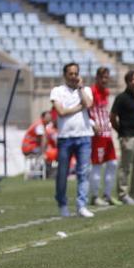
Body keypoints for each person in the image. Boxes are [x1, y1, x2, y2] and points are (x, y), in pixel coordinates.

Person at [50, 62, 95, 218]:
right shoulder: (57, 91)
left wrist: (81, 89)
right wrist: (78, 107)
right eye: (71, 74)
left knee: (83, 172)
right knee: (62, 173)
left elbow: (88, 104)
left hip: (84, 136)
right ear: (65, 75)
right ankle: (62, 203)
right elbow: (61, 112)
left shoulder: (86, 90)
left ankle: (81, 205)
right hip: (65, 138)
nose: (74, 77)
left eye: (76, 73)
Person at [109, 70, 134, 205]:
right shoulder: (121, 98)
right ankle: (122, 194)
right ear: (127, 82)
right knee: (125, 167)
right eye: (131, 80)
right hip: (128, 137)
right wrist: (121, 131)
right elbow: (112, 117)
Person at [88, 67, 120, 206]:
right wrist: (92, 124)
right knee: (97, 165)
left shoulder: (106, 92)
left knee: (113, 163)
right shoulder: (91, 91)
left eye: (107, 77)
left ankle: (107, 194)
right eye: (102, 77)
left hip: (107, 133)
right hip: (97, 135)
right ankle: (95, 196)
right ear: (97, 78)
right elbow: (86, 111)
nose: (105, 80)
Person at [21, 110, 57, 174]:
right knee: (50, 152)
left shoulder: (42, 125)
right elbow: (42, 139)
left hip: (31, 147)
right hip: (29, 148)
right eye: (48, 117)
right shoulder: (39, 125)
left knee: (50, 151)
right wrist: (44, 152)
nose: (49, 119)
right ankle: (49, 171)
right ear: (43, 117)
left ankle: (48, 170)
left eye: (50, 117)